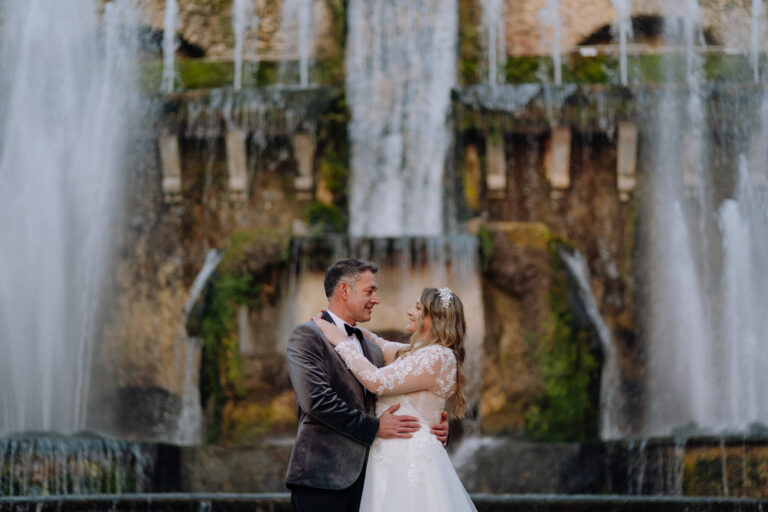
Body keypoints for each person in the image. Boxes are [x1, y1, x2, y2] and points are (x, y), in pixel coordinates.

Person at [285, 259, 449, 512]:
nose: (377, 299)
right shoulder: (308, 335)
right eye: (370, 291)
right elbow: (316, 401)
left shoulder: (372, 347)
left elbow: (401, 387)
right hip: (324, 477)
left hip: (374, 480)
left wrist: (430, 424)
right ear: (344, 290)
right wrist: (374, 427)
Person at [313, 286, 477, 512]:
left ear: (436, 317)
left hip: (410, 461)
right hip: (389, 458)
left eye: (418, 308)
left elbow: (376, 380)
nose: (409, 311)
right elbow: (382, 345)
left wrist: (339, 341)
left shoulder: (438, 356)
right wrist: (347, 326)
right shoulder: (418, 352)